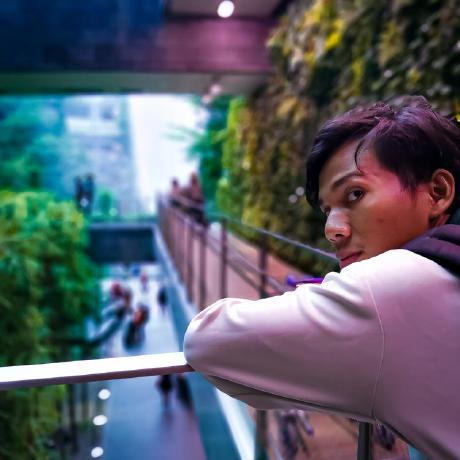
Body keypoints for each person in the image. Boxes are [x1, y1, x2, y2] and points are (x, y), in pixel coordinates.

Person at [183, 98, 460, 459]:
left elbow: (207, 340)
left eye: (355, 194)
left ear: (438, 192)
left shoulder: (389, 290)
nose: (332, 229)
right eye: (328, 210)